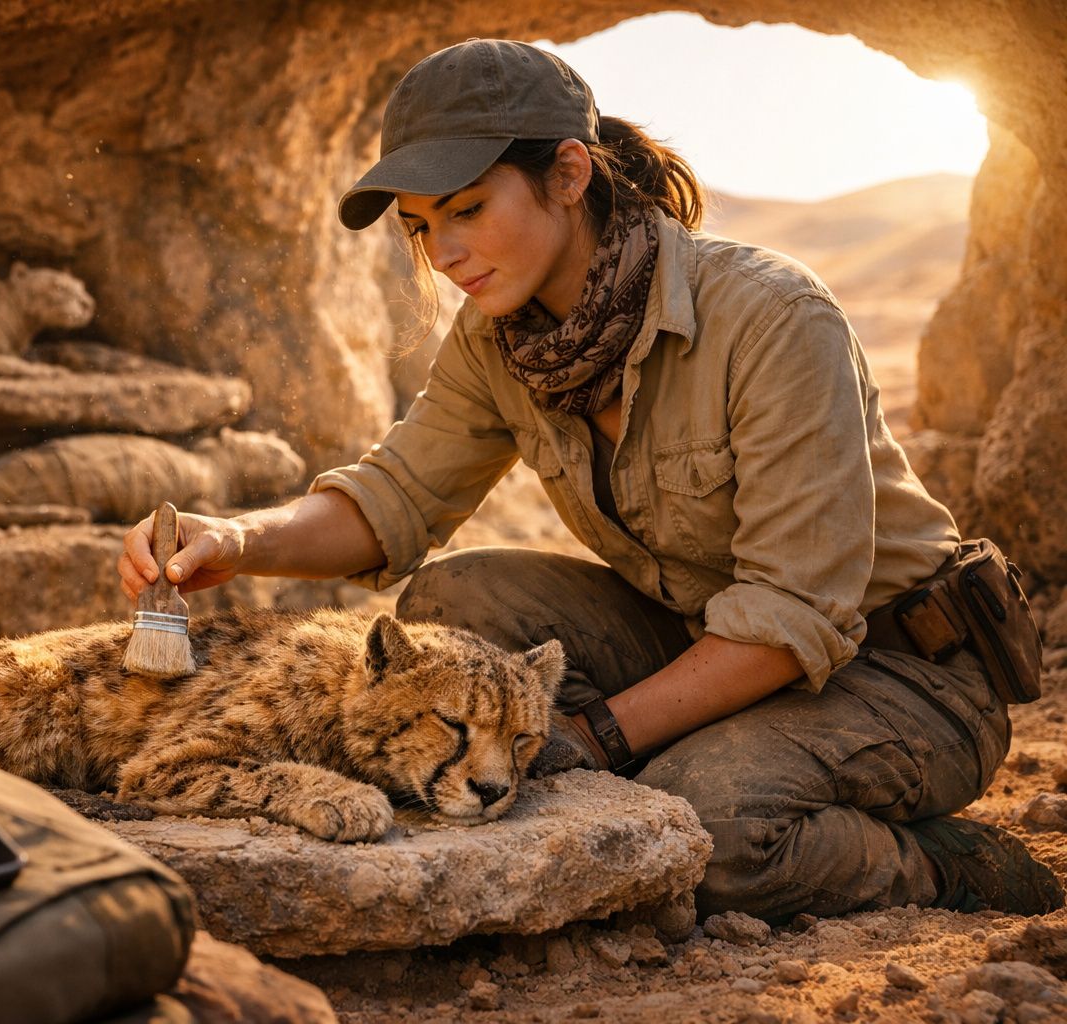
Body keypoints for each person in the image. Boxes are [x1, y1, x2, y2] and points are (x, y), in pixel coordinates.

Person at [119, 38, 1063, 922]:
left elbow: (790, 615)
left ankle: (941, 863)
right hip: (707, 637)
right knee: (457, 600)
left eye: (467, 209)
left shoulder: (772, 318)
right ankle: (689, 750)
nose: (443, 255)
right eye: (420, 227)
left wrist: (599, 739)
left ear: (568, 175)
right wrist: (238, 541)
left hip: (904, 675)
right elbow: (394, 497)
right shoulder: (499, 339)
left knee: (700, 821)